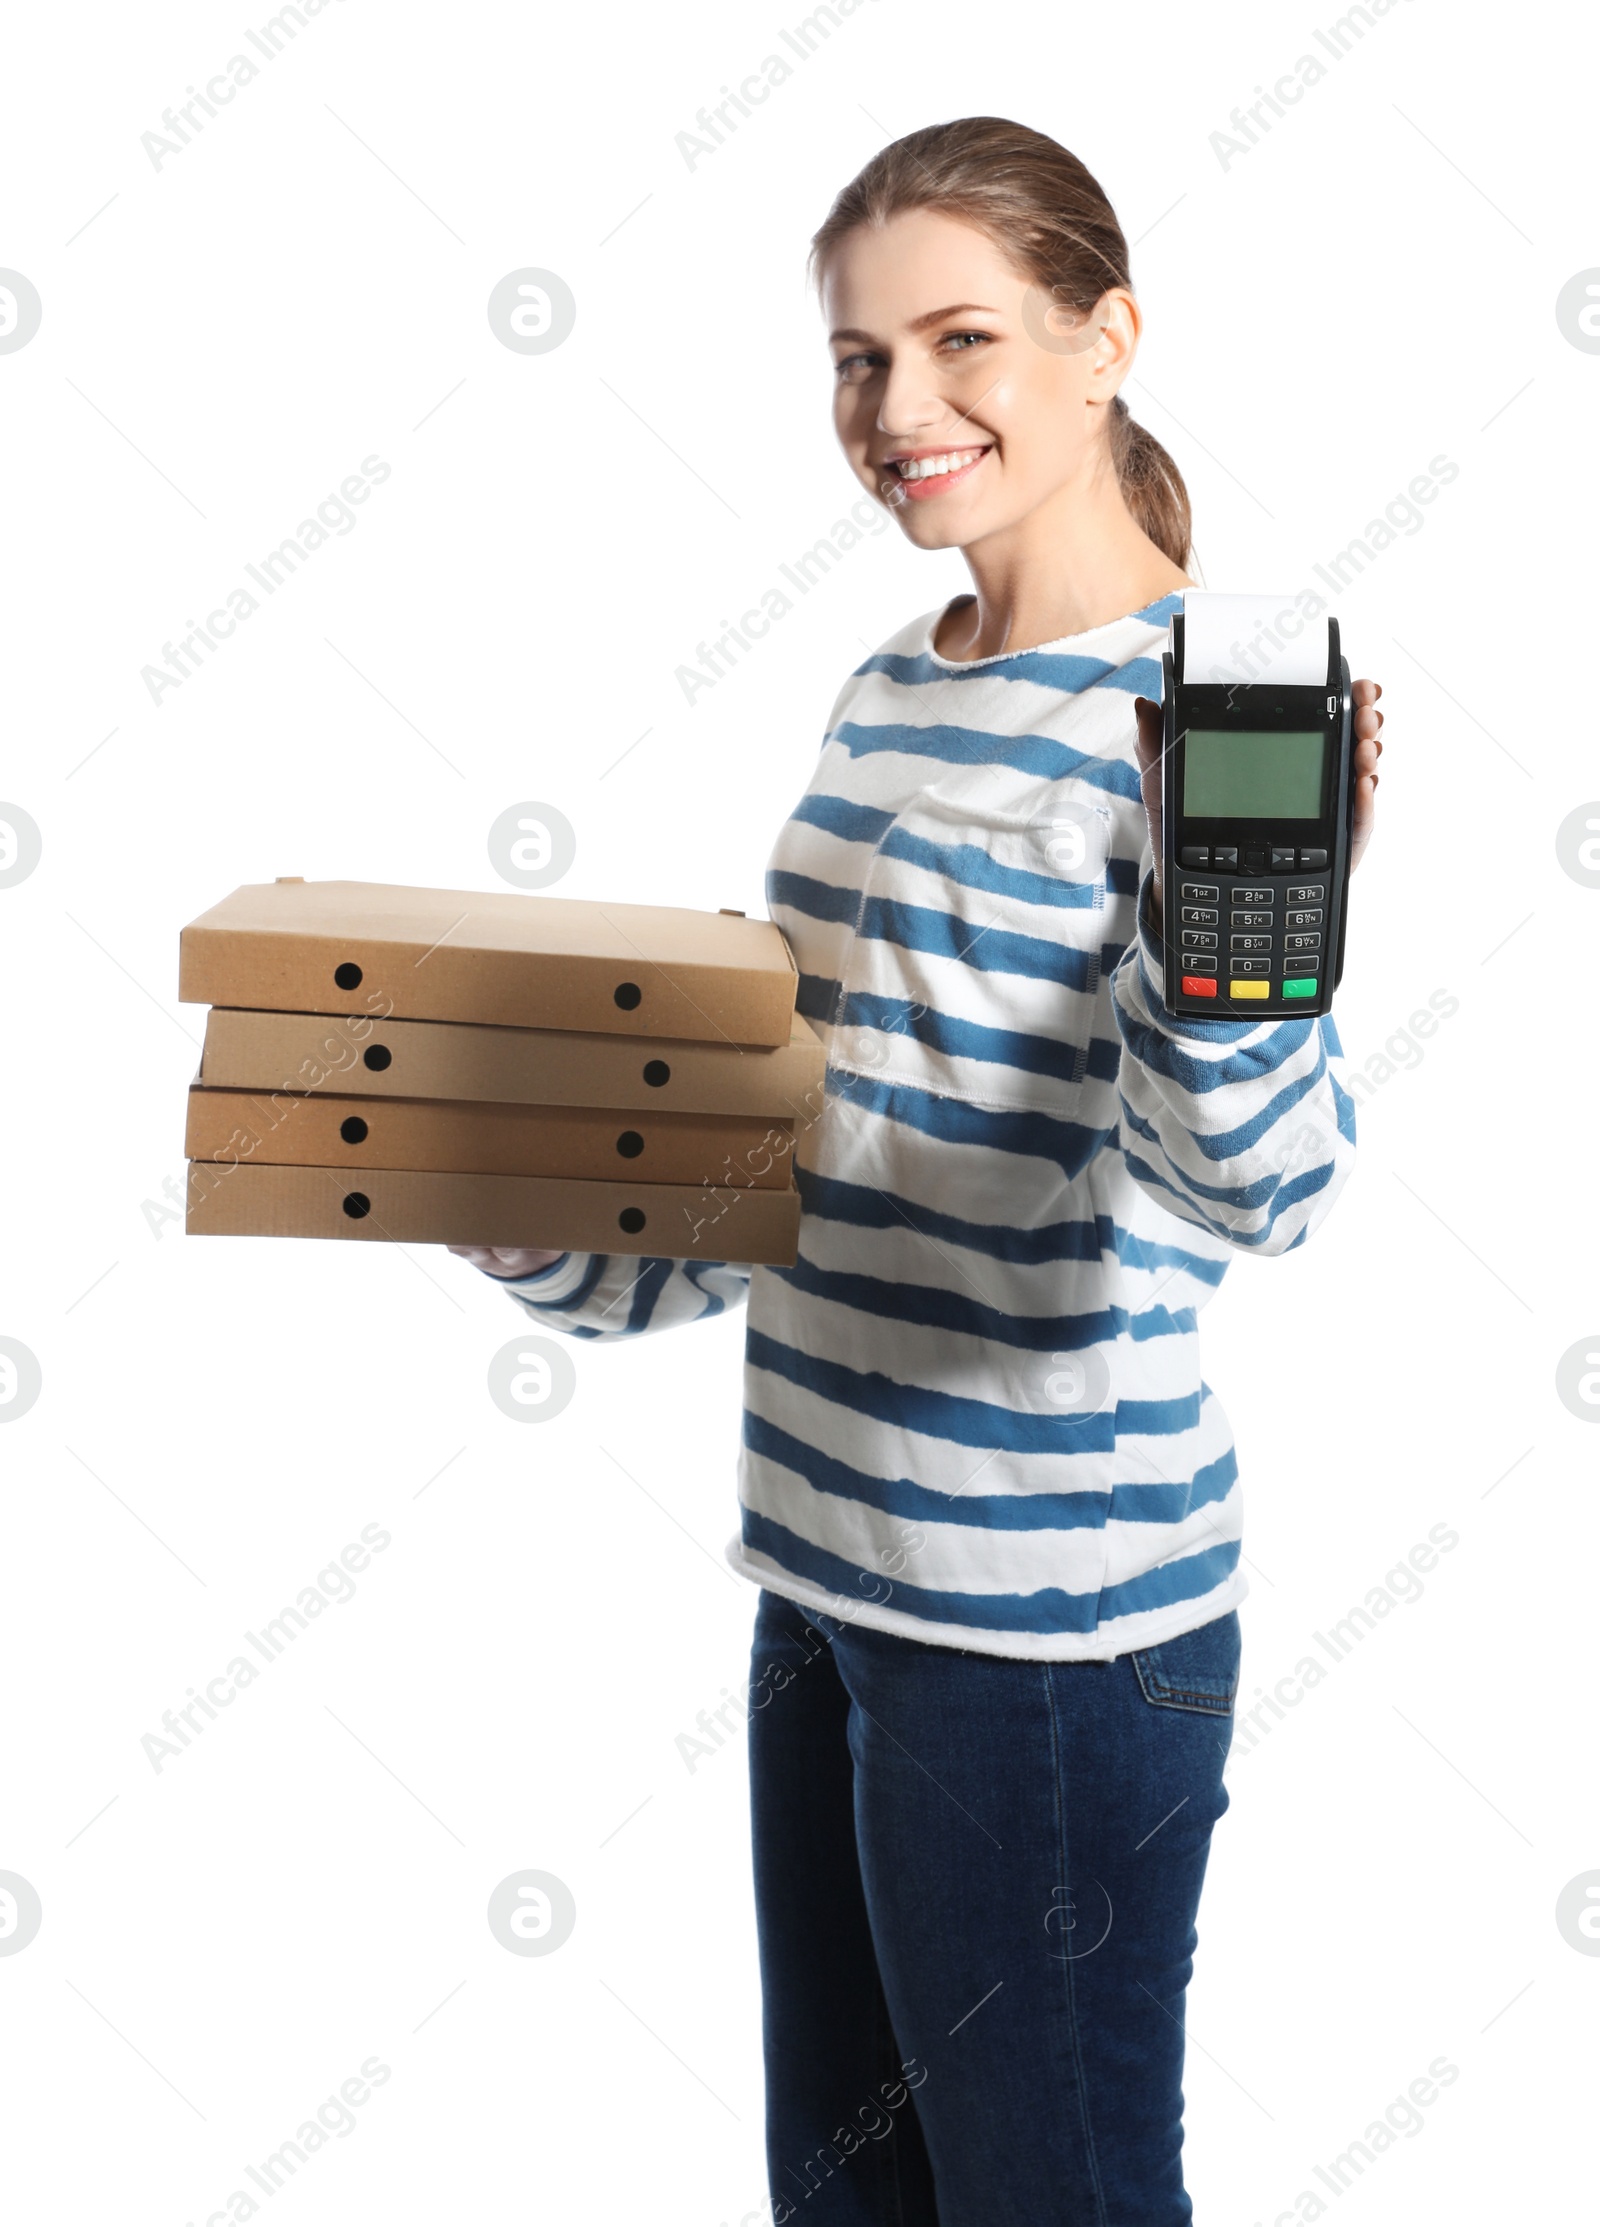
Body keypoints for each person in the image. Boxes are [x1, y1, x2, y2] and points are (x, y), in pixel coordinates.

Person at [451, 115, 1385, 2227]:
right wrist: (547, 1229)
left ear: (1105, 335)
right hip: (827, 1567)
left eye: (958, 339)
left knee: (1042, 2197)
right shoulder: (890, 687)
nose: (897, 410)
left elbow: (1258, 1190)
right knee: (845, 2203)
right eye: (855, 360)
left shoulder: (1203, 715)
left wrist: (1227, 957)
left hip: (1045, 1625)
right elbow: (789, 1129)